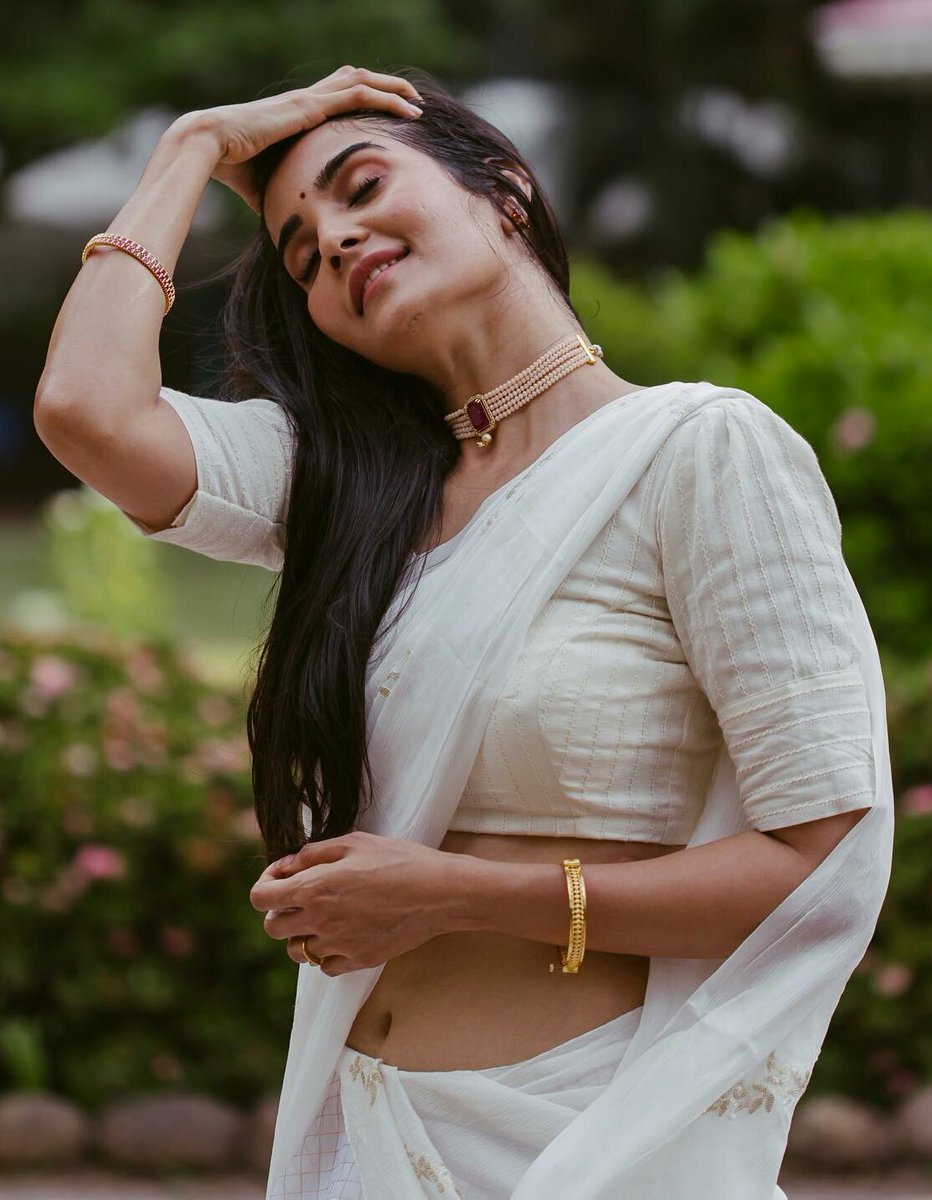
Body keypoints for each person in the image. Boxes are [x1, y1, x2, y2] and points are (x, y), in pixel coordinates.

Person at [34, 66, 892, 1199]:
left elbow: (818, 865)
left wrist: (455, 894)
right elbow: (86, 411)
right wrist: (189, 146)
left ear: (504, 189)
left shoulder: (698, 452)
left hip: (580, 1141)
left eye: (361, 187)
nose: (335, 241)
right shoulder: (349, 494)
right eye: (301, 255)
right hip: (362, 1136)